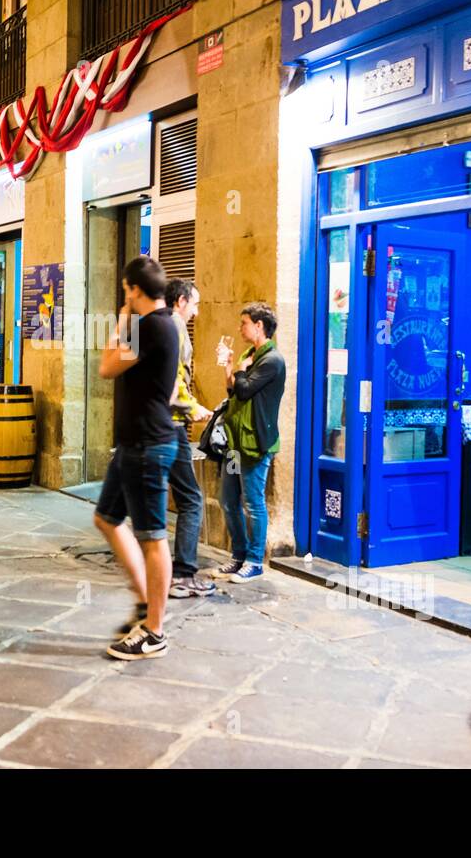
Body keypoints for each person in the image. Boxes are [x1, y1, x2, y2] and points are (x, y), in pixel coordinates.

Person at [93, 256, 181, 661]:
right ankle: (146, 601)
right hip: (134, 444)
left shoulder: (151, 326)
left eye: (126, 290)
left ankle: (155, 630)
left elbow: (107, 367)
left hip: (147, 446)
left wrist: (124, 316)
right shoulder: (163, 324)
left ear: (132, 289)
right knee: (107, 518)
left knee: (153, 537)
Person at [212, 302, 287, 583]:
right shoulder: (249, 354)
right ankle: (239, 555)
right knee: (229, 500)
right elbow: (232, 389)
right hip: (235, 442)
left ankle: (255, 561)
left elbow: (244, 390)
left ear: (259, 325)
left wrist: (241, 369)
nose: (240, 328)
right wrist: (230, 367)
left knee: (253, 503)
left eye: (244, 323)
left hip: (255, 443)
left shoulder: (272, 360)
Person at [164, 279, 216, 598]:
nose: (196, 312)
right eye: (194, 305)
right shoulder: (176, 328)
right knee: (192, 499)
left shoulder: (155, 326)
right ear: (181, 301)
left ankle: (154, 568)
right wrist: (192, 407)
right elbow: (173, 380)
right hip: (170, 426)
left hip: (153, 426)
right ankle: (183, 575)